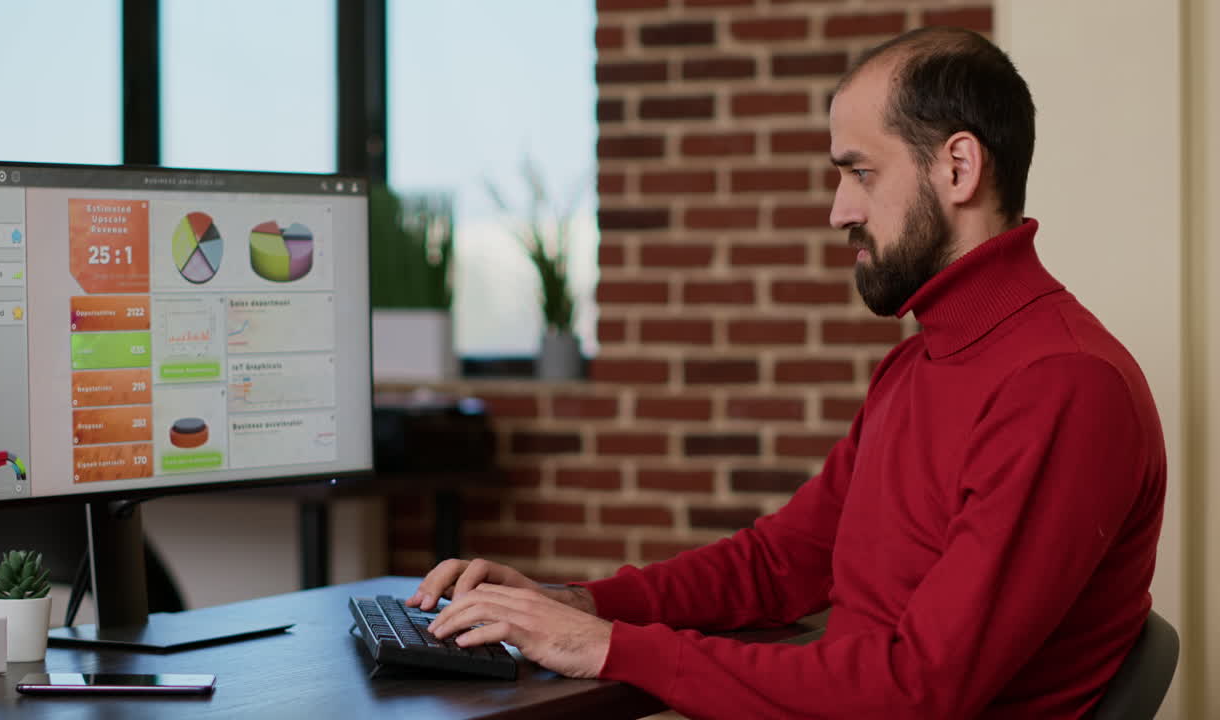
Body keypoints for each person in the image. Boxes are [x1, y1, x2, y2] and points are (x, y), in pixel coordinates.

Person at [410, 26, 1166, 719]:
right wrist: (578, 603)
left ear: (959, 167)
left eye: (859, 173)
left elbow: (919, 691)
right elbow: (780, 565)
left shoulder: (1063, 385)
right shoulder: (917, 364)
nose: (839, 211)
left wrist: (605, 648)